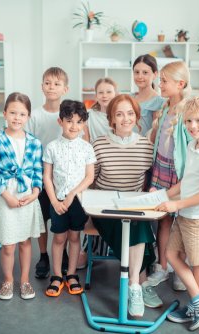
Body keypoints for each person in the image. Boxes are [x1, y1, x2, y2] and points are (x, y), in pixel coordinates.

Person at [155, 96, 199, 331]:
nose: (192, 126)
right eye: (188, 121)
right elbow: (188, 181)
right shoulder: (193, 146)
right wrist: (166, 195)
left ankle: (198, 304)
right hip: (185, 214)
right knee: (172, 254)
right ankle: (198, 300)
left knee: (197, 264)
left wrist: (177, 205)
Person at [92, 94, 157, 318]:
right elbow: (91, 181)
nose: (125, 118)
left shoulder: (146, 146)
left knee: (136, 222)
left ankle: (134, 286)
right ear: (111, 119)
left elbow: (150, 181)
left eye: (130, 113)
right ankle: (140, 281)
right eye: (119, 114)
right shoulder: (99, 145)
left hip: (133, 207)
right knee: (134, 226)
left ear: (137, 117)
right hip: (105, 209)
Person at [0, 92, 44, 300]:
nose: (17, 118)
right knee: (9, 244)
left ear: (28, 116)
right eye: (13, 113)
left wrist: (36, 192)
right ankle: (8, 280)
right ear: (4, 114)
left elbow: (38, 171)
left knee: (25, 241)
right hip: (6, 195)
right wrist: (6, 196)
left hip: (27, 195)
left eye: (22, 114)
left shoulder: (35, 143)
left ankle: (25, 281)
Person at [43, 100, 96, 297]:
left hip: (78, 202)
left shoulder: (86, 148)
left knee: (74, 237)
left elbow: (89, 176)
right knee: (58, 238)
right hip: (57, 201)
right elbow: (47, 177)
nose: (74, 126)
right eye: (69, 121)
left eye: (79, 122)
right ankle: (56, 276)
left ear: (84, 124)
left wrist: (72, 194)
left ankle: (72, 274)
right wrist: (55, 202)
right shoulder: (52, 147)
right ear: (60, 121)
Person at [147, 61, 193, 290]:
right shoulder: (165, 108)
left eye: (164, 81)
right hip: (161, 170)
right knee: (164, 221)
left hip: (180, 174)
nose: (160, 84)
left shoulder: (189, 111)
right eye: (160, 80)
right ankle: (163, 266)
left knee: (182, 223)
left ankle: (179, 268)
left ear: (180, 84)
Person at [25, 67, 69, 279]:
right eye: (48, 83)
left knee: (63, 217)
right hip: (41, 175)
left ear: (65, 88)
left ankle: (65, 252)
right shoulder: (34, 115)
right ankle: (43, 255)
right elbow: (29, 146)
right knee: (41, 219)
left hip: (64, 177)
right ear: (42, 86)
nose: (52, 87)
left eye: (57, 84)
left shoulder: (67, 114)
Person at [77, 78, 118, 269]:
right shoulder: (90, 115)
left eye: (109, 91)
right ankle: (88, 250)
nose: (104, 95)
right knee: (94, 210)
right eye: (101, 92)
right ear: (96, 95)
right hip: (95, 162)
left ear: (115, 93)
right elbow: (86, 139)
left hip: (115, 163)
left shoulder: (119, 114)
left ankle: (114, 247)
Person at [132, 54, 165, 136]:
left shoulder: (158, 102)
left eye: (145, 72)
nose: (140, 76)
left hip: (144, 147)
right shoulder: (130, 98)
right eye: (136, 72)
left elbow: (155, 133)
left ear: (155, 74)